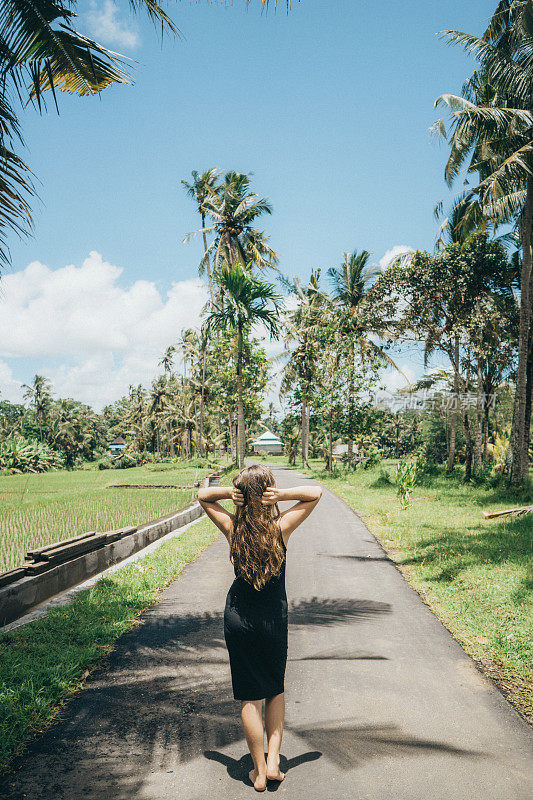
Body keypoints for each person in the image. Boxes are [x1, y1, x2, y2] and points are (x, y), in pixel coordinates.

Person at [197, 463, 322, 791]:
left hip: (238, 618)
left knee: (249, 698)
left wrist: (232, 494)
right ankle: (274, 762)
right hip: (272, 619)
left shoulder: (232, 528)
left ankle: (257, 772)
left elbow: (203, 496)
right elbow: (315, 494)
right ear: (269, 494)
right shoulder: (281, 527)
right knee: (274, 689)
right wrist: (279, 495)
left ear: (240, 498)